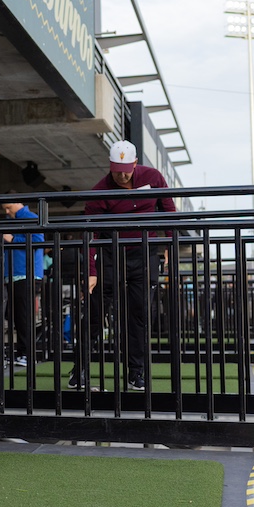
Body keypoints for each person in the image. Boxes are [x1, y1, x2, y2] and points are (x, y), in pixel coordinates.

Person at [70, 140, 175, 392]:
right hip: (110, 255)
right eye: (117, 169)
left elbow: (169, 210)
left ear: (135, 163)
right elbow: (90, 233)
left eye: (126, 168)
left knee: (139, 313)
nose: (122, 174)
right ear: (110, 166)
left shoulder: (153, 177)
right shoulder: (99, 192)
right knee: (95, 314)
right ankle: (79, 370)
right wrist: (91, 273)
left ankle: (135, 373)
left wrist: (170, 246)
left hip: (144, 253)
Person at [0, 196, 43, 368]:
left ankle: (27, 354)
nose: (7, 212)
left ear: (18, 203)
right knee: (17, 317)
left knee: (23, 317)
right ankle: (23, 353)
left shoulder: (30, 217)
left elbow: (38, 241)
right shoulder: (13, 219)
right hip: (16, 274)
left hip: (26, 274)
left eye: (9, 207)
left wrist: (11, 239)